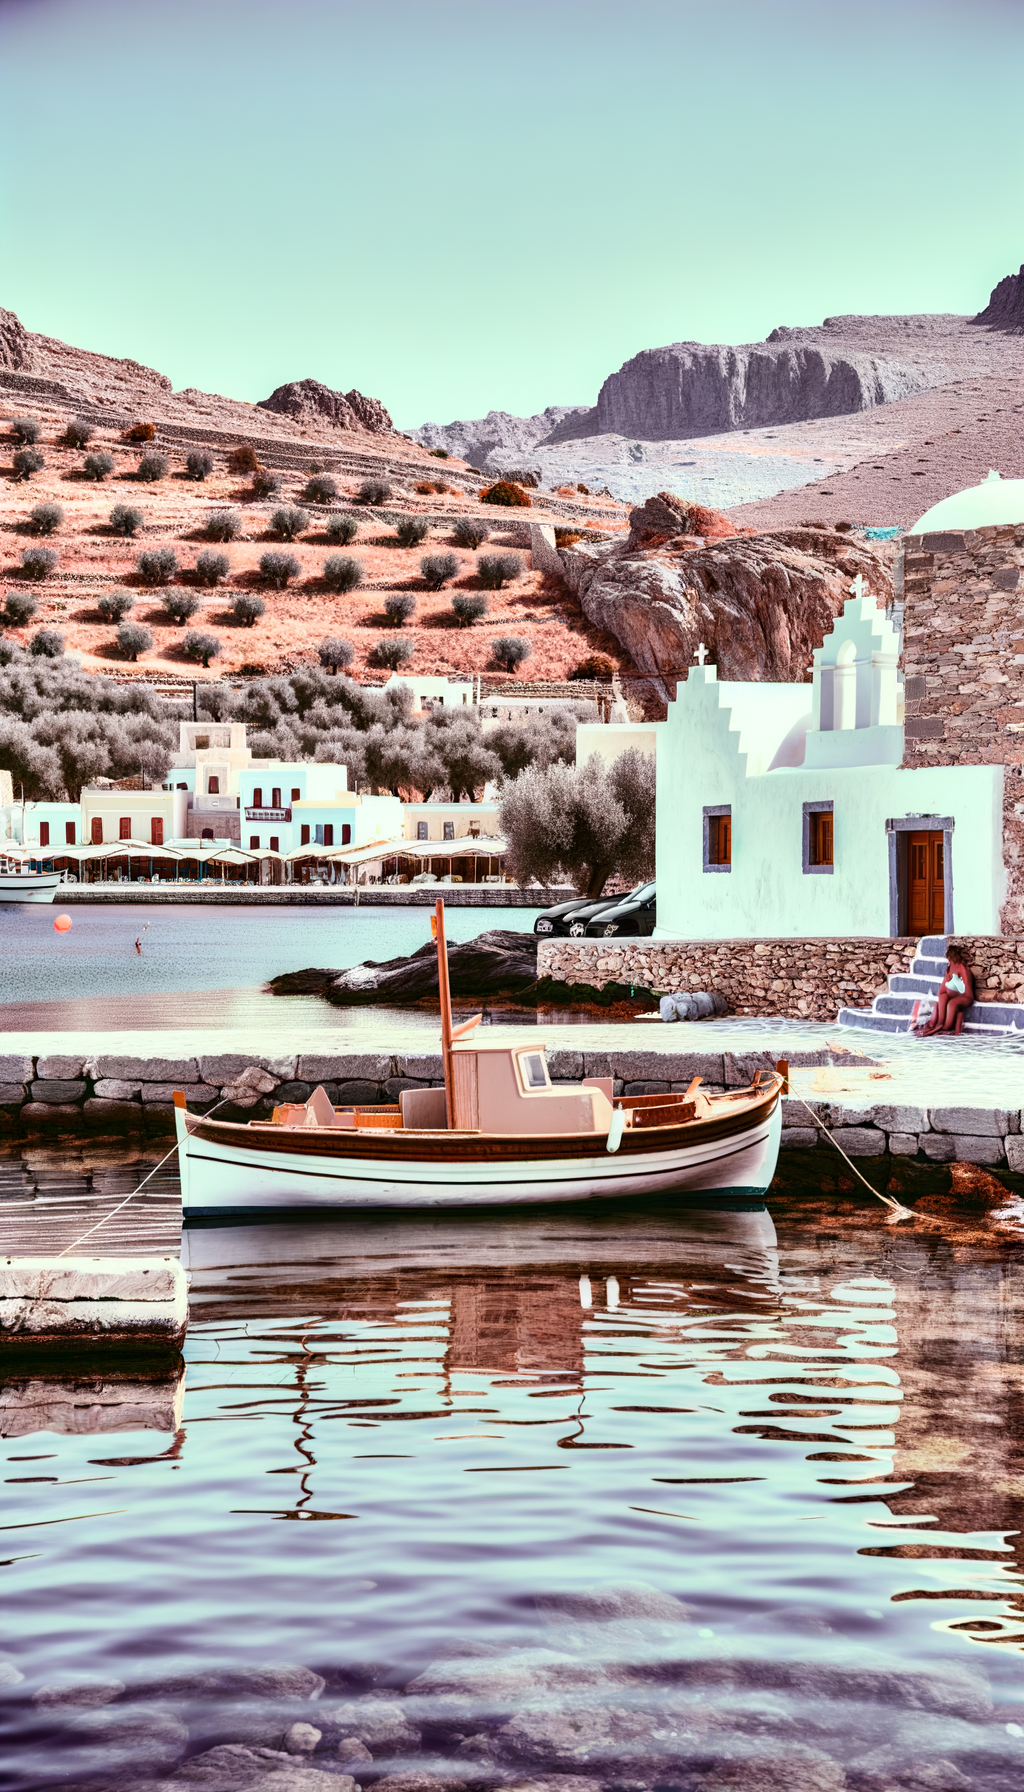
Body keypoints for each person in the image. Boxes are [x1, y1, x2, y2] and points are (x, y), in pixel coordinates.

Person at [914, 940, 974, 1036]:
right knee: (942, 997)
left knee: (952, 1003)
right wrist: (945, 993)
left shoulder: (962, 968)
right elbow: (943, 987)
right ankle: (939, 1023)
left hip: (965, 997)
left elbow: (966, 990)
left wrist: (956, 991)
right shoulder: (949, 967)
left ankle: (947, 1026)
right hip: (953, 995)